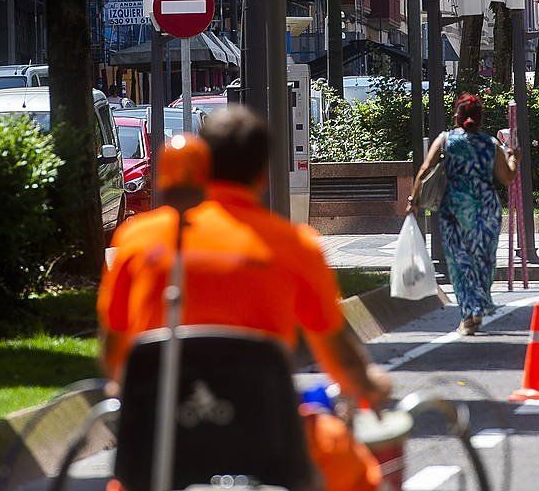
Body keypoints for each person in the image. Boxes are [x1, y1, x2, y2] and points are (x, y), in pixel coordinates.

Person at [99, 107, 388, 491]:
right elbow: (337, 352)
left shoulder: (137, 240)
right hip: (268, 451)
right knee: (360, 475)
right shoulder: (295, 246)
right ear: (264, 173)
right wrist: (369, 384)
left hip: (157, 452)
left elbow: (114, 351)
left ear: (201, 163)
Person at [408, 94, 519, 336]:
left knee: (459, 261)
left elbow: (425, 169)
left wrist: (413, 200)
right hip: (486, 209)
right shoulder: (491, 144)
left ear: (457, 117)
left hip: (454, 209)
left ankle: (469, 314)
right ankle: (479, 303)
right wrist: (513, 159)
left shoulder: (446, 140)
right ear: (480, 119)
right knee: (483, 260)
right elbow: (507, 178)